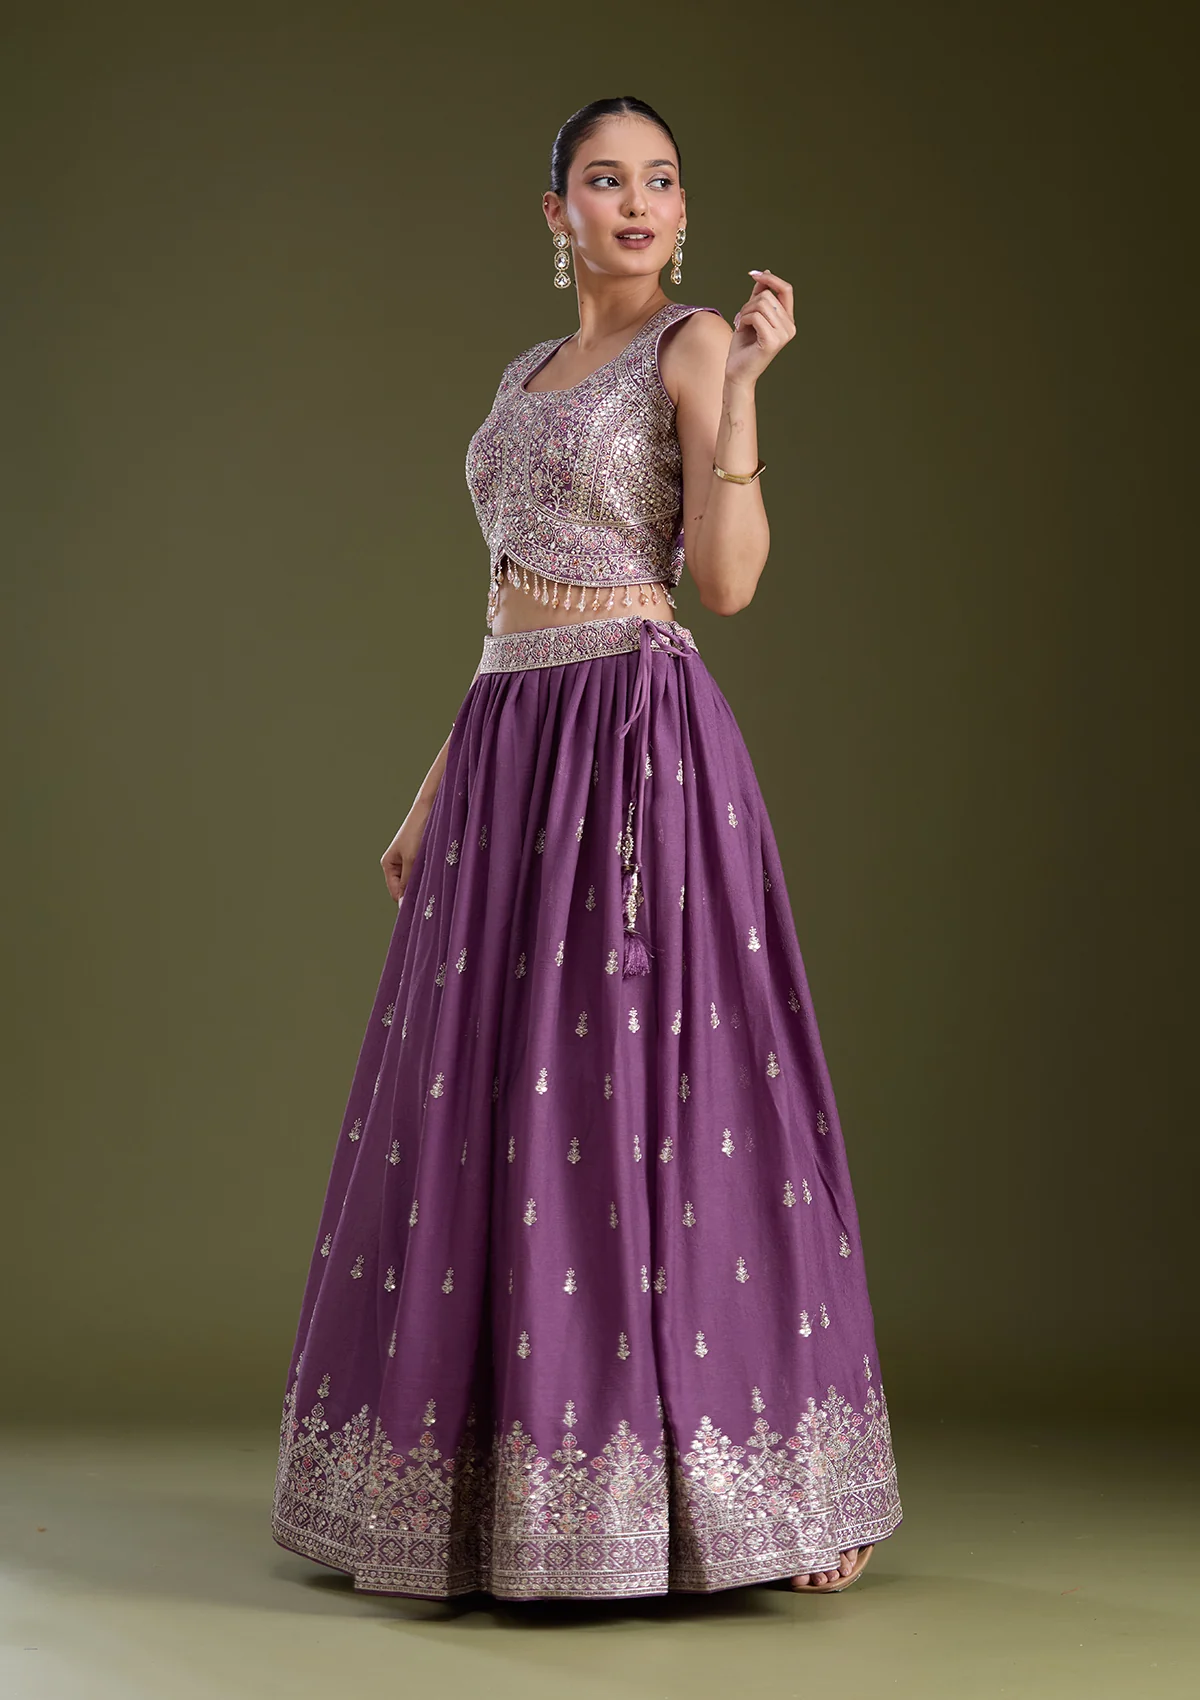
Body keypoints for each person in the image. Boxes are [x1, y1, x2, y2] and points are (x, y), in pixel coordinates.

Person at [270, 95, 902, 1601]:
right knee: (494, 1103)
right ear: (554, 212)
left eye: (659, 181)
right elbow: (504, 605)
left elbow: (725, 585)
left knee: (646, 1095)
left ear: (683, 212)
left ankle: (743, 1491)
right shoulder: (523, 374)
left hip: (629, 745)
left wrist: (743, 390)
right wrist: (434, 791)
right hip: (509, 743)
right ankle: (495, 1490)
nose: (636, 203)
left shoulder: (693, 345)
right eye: (605, 181)